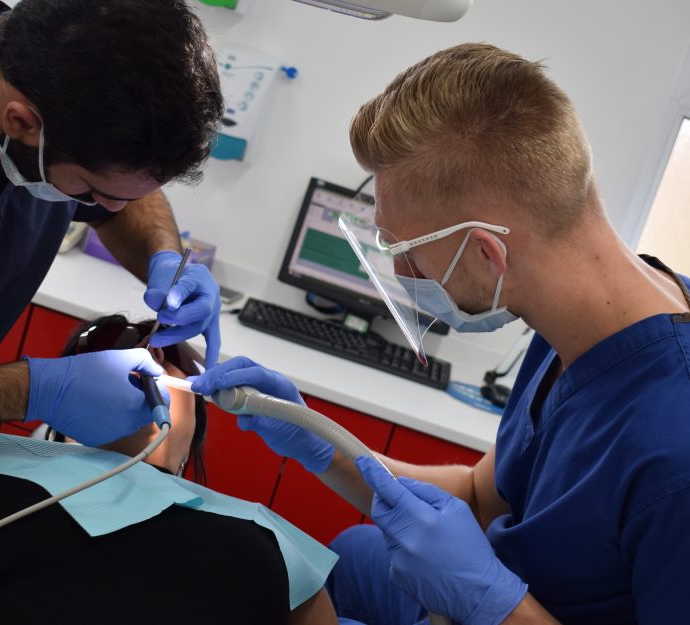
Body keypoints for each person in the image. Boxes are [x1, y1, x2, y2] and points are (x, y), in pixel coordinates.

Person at [189, 43, 690, 625]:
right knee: (352, 553)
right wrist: (323, 442)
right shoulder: (576, 315)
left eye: (404, 252)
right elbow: (481, 497)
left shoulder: (673, 453)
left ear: (486, 253)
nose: (401, 276)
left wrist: (490, 605)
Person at [0, 315, 339, 625]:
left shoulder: (266, 537)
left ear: (192, 434)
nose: (150, 354)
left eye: (172, 355)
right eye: (111, 346)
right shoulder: (2, 467)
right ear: (56, 415)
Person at [0, 0, 224, 448]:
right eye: (96, 192)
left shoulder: (53, 79)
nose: (111, 209)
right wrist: (34, 390)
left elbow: (121, 183)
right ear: (21, 122)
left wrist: (165, 256)